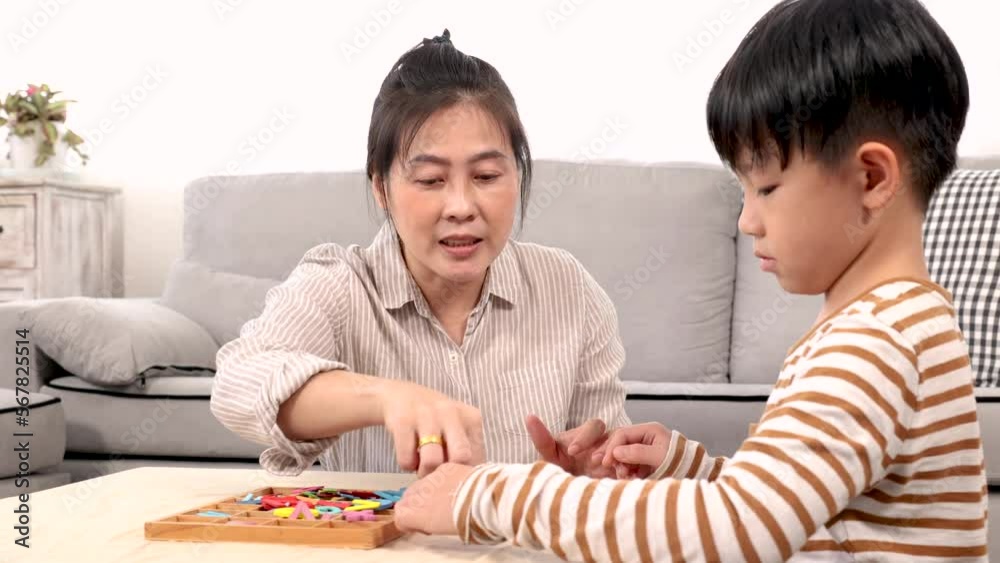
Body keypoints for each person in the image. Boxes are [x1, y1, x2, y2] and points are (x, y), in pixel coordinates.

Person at [395, 1, 989, 560]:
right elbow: (802, 511)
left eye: (767, 187)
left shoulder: (873, 341)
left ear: (871, 178)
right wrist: (693, 471)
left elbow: (738, 531)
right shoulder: (895, 323)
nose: (747, 220)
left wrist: (490, 495)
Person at [209, 30, 629, 478]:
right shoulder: (340, 285)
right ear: (381, 187)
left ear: (518, 174)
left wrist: (596, 472)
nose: (461, 207)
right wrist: (386, 397)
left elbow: (609, 460)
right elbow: (239, 383)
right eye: (431, 180)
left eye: (487, 176)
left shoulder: (567, 287)